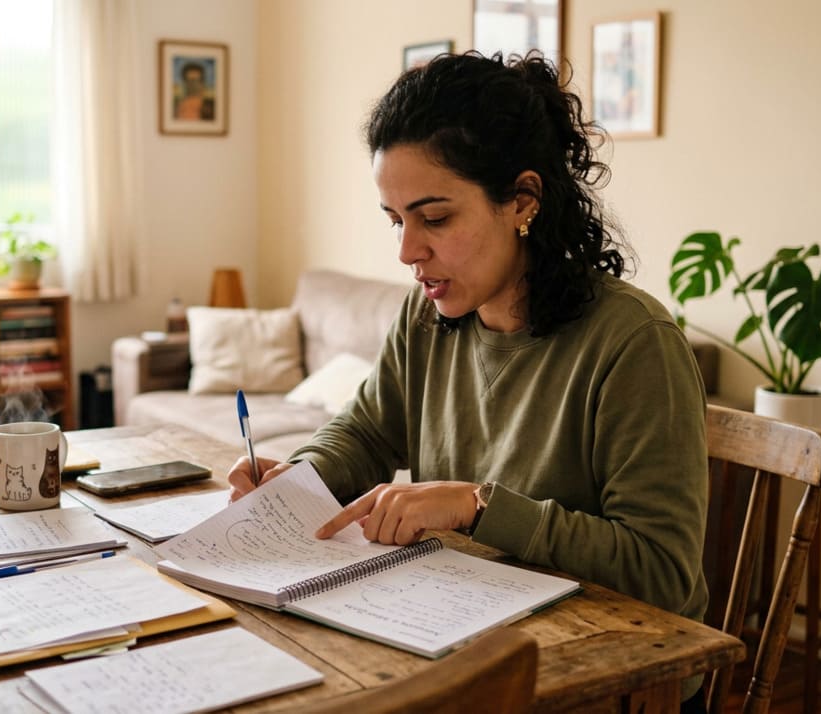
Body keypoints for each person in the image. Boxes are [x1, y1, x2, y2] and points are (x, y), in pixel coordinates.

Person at [227, 51, 709, 711]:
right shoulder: (430, 316)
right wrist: (299, 480)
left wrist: (479, 506)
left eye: (435, 218)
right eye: (396, 219)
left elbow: (662, 571)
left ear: (523, 201)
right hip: (458, 632)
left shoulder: (632, 344)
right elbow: (369, 429)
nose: (407, 252)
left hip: (601, 674)